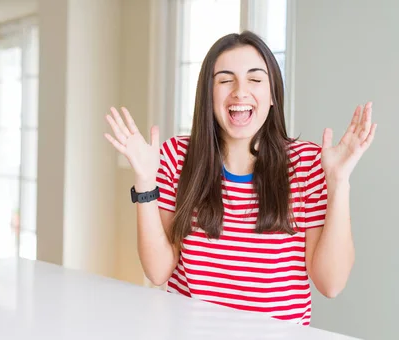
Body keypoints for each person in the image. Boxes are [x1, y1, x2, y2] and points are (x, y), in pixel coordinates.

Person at [104, 30, 376, 326]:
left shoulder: (307, 164)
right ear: (208, 94)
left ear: (272, 95)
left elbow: (331, 284)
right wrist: (145, 180)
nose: (240, 92)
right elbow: (157, 271)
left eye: (255, 79)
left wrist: (338, 183)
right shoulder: (176, 157)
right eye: (225, 80)